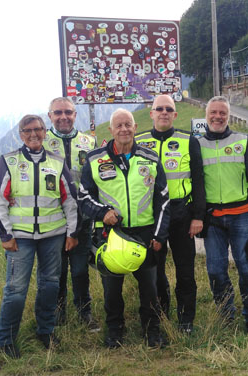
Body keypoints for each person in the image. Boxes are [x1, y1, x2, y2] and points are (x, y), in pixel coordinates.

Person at [0, 114, 79, 358]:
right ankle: (5, 339)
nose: (34, 134)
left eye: (38, 129)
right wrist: (5, 234)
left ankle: (45, 331)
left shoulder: (58, 162)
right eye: (28, 130)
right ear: (21, 135)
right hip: (20, 239)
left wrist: (72, 232)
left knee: (50, 286)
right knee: (16, 290)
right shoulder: (9, 162)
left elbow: (70, 200)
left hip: (53, 236)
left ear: (45, 132)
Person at [78, 108, 170, 348]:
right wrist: (102, 212)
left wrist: (160, 234)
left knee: (150, 288)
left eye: (128, 124)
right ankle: (114, 331)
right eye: (118, 125)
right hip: (111, 235)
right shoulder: (95, 159)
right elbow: (83, 197)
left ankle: (152, 331)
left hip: (145, 234)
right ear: (111, 130)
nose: (124, 129)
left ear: (135, 128)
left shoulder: (150, 158)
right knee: (112, 289)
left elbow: (163, 199)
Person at [199, 96, 248, 336]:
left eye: (223, 113)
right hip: (213, 220)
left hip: (242, 216)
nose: (218, 117)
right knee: (215, 271)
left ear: (228, 116)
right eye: (214, 112)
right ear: (206, 114)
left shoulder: (244, 141)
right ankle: (226, 314)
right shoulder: (196, 144)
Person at [135, 94, 205, 334]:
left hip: (182, 215)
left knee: (185, 271)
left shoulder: (188, 140)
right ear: (151, 113)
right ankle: (160, 315)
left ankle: (186, 321)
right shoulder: (139, 141)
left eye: (168, 109)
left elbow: (198, 180)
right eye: (159, 109)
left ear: (175, 114)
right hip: (152, 217)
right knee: (155, 271)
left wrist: (198, 216)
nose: (163, 112)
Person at [45, 97, 99, 331]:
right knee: (56, 272)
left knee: (79, 270)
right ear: (50, 116)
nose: (63, 117)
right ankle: (57, 315)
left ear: (76, 115)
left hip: (83, 219)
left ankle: (84, 313)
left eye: (68, 112)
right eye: (58, 113)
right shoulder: (41, 141)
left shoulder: (90, 142)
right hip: (52, 220)